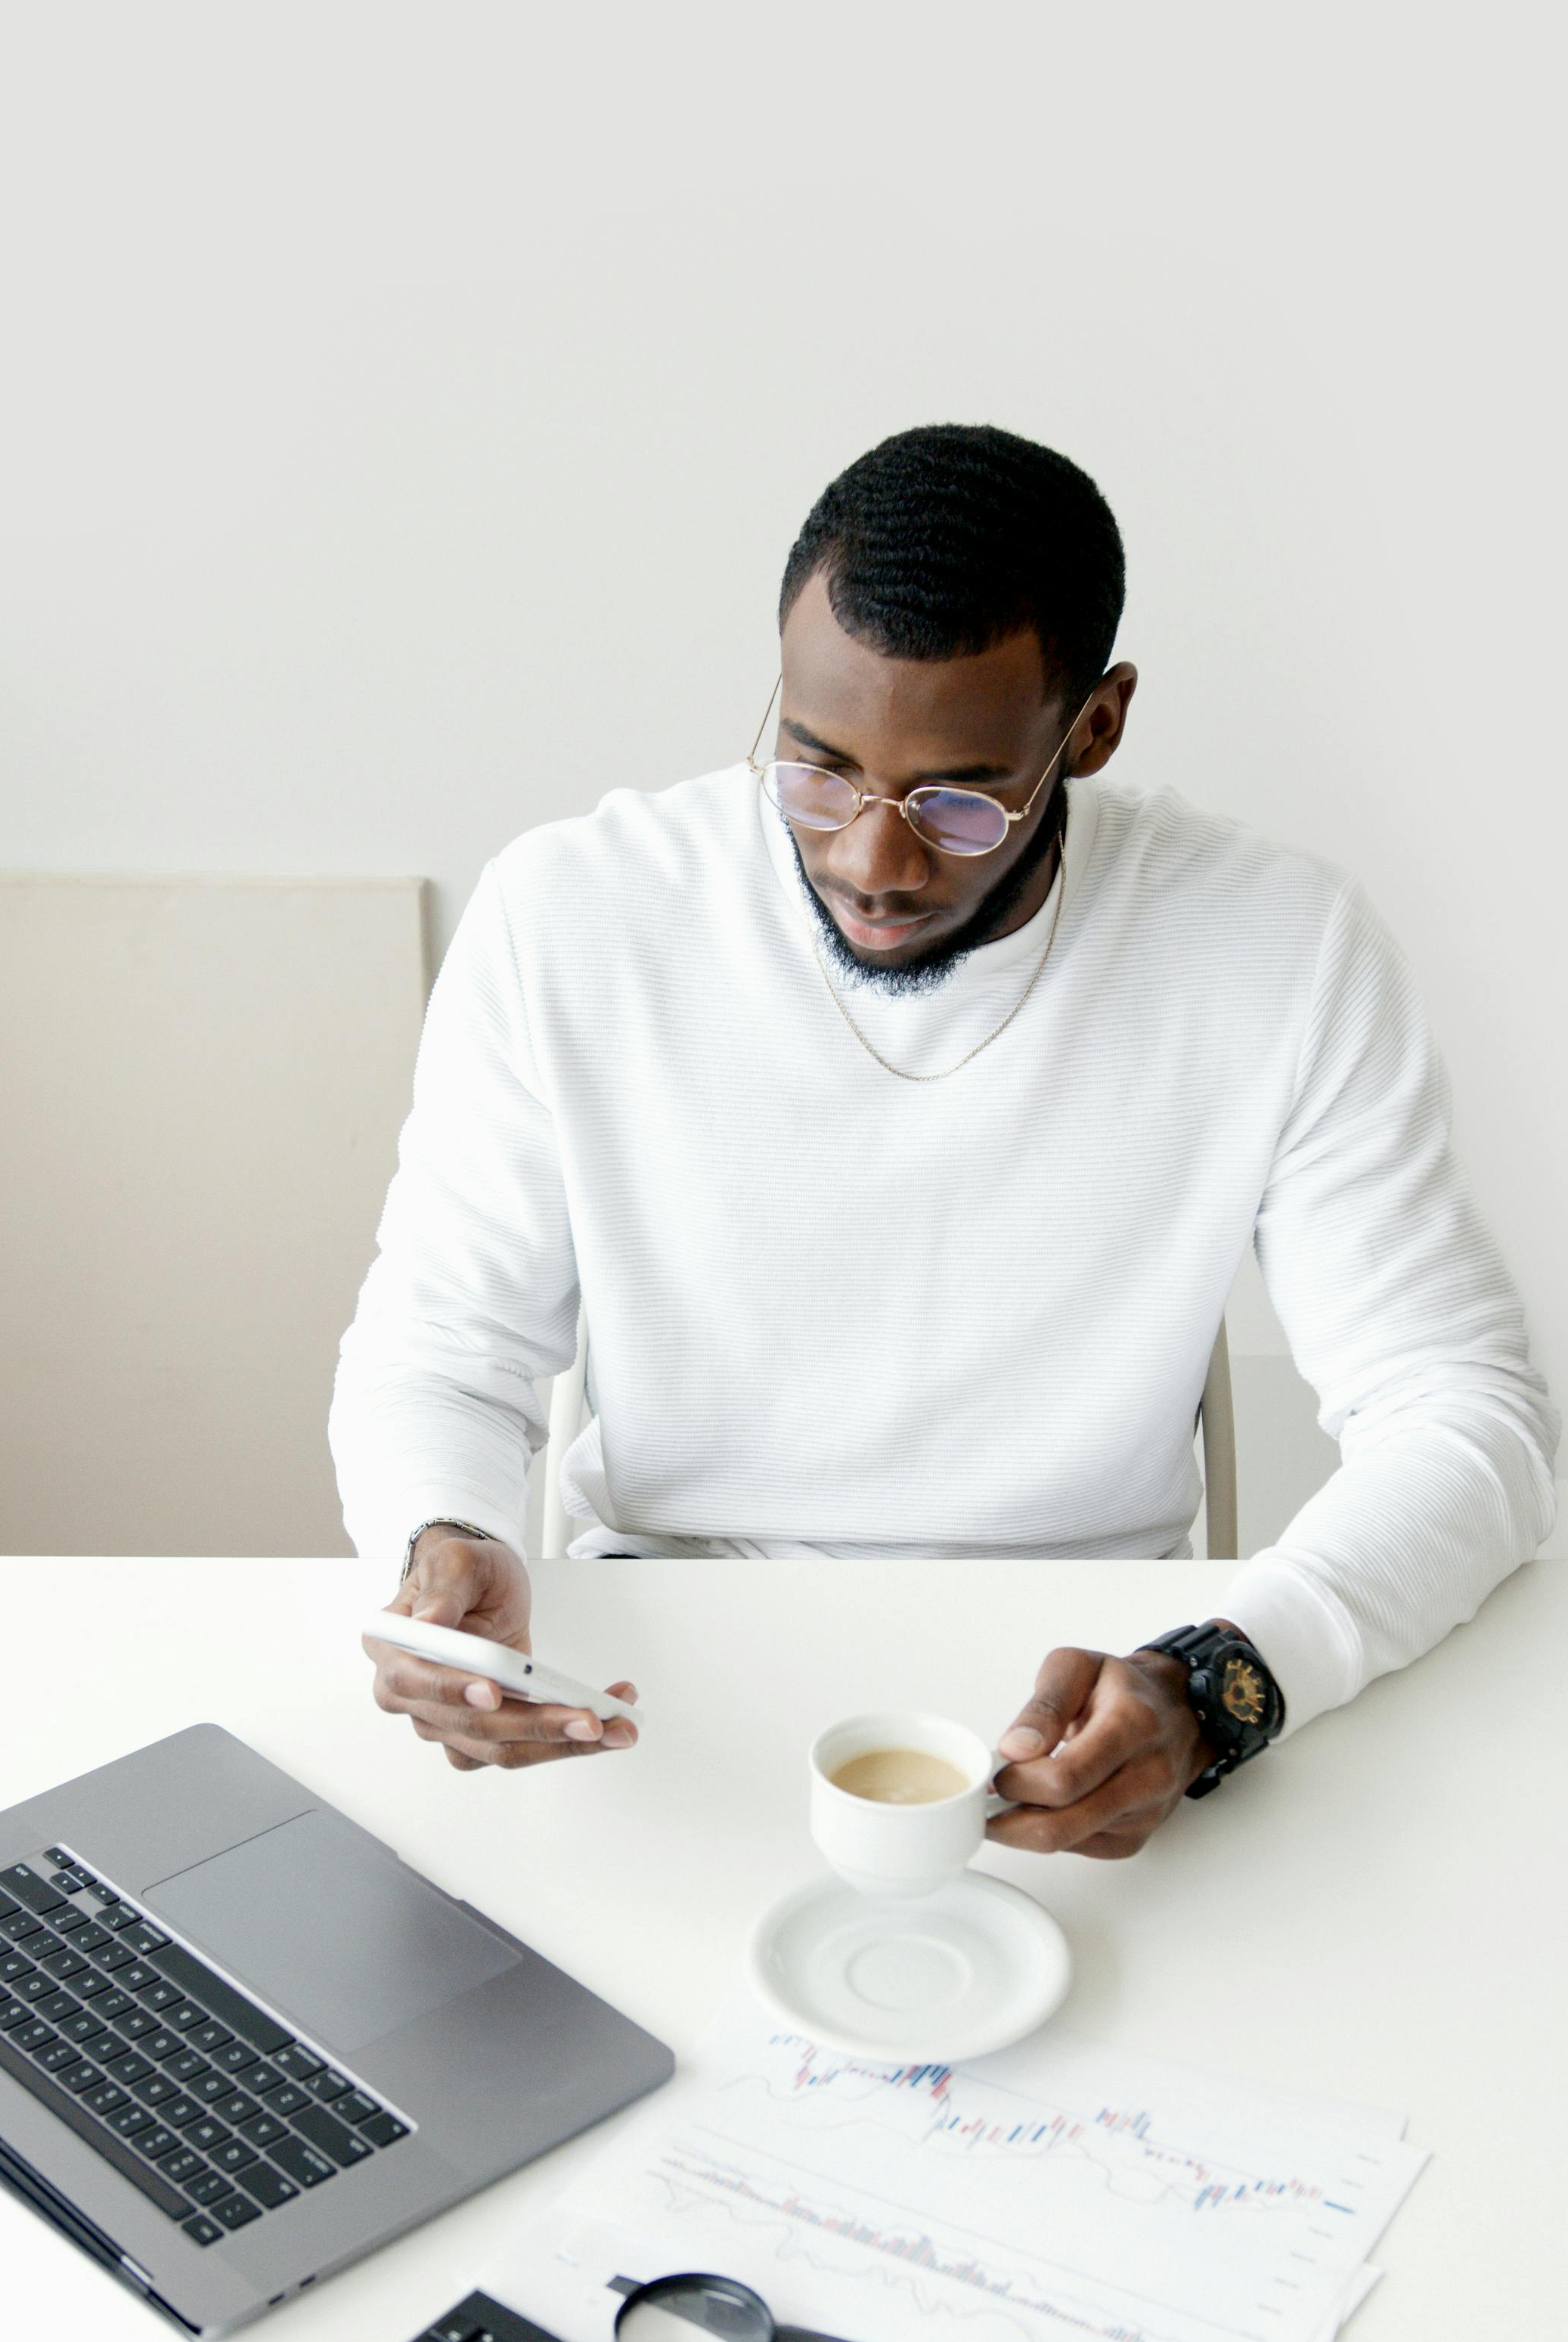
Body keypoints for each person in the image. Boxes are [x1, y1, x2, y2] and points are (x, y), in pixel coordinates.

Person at [331, 423, 1556, 1858]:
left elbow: (1470, 1420)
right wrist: (447, 1545)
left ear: (1092, 729)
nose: (872, 859)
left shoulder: (1277, 950)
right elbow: (439, 1352)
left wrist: (1221, 1684)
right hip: (660, 1664)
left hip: (1080, 1686)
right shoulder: (574, 916)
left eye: (959, 799)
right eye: (817, 769)